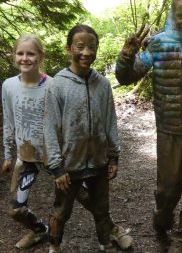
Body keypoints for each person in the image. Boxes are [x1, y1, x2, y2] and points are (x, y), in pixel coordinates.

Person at [115, 0, 182, 253]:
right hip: (168, 129)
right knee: (168, 188)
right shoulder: (157, 44)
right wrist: (126, 55)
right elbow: (126, 77)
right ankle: (162, 216)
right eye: (180, 14)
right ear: (173, 11)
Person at [44, 24, 132, 253]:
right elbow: (50, 127)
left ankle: (106, 243)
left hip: (98, 161)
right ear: (68, 49)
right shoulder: (57, 85)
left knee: (102, 208)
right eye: (80, 46)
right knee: (62, 210)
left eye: (92, 47)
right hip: (69, 163)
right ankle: (54, 246)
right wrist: (56, 167)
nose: (86, 52)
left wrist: (114, 157)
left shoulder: (102, 84)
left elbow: (110, 121)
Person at [1, 34, 51, 249]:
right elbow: (9, 121)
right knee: (15, 209)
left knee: (83, 196)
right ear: (14, 56)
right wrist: (8, 155)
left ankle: (110, 228)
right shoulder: (9, 86)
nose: (25, 58)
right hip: (26, 156)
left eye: (30, 53)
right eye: (20, 53)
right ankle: (40, 230)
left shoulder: (53, 85)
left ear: (40, 56)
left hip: (54, 155)